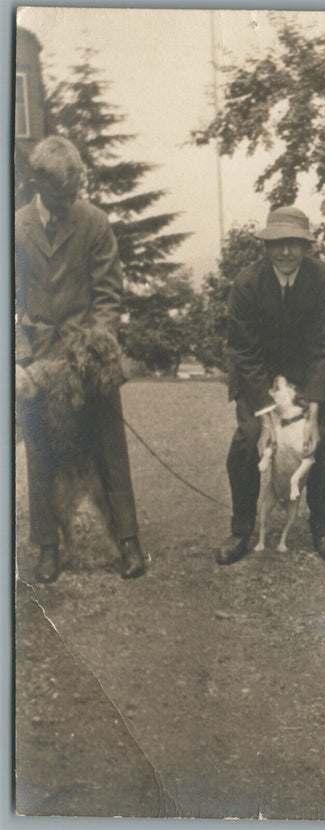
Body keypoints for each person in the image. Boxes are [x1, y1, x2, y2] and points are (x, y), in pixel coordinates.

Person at [15, 135, 146, 583]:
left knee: (109, 443)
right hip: (37, 358)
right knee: (38, 450)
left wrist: (93, 348)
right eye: (62, 194)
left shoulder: (94, 222)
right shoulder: (13, 228)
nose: (70, 201)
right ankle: (49, 547)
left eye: (75, 192)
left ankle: (128, 541)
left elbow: (109, 296)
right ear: (39, 184)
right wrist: (20, 355)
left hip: (87, 356)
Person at [217, 205, 325, 566]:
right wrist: (268, 416)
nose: (285, 252)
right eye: (277, 243)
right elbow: (243, 350)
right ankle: (241, 530)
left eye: (293, 244)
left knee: (320, 445)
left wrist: (314, 411)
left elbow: (323, 346)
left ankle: (322, 530)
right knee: (249, 438)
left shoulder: (322, 279)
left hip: (302, 379)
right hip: (258, 377)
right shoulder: (247, 283)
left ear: (306, 247)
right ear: (266, 246)